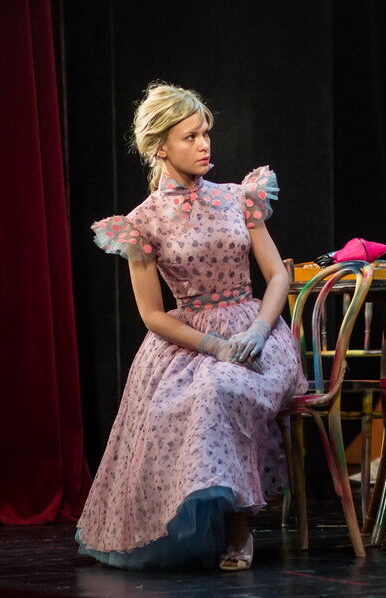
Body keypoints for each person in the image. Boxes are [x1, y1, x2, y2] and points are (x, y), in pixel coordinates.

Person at [75, 82, 306, 571]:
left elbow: (278, 275)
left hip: (256, 328)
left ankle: (240, 526)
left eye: (206, 133)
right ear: (160, 147)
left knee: (224, 387)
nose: (204, 145)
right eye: (190, 136)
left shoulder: (238, 198)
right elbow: (152, 314)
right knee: (195, 395)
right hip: (189, 340)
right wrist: (213, 346)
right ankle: (206, 520)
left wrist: (258, 331)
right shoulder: (142, 222)